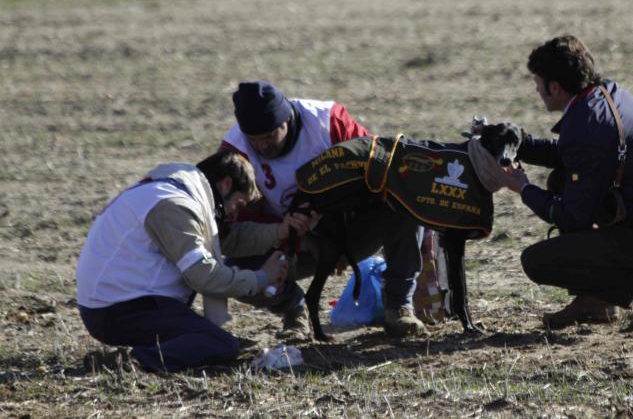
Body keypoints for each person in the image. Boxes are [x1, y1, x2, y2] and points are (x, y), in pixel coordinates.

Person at [500, 35, 633, 330]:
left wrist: (524, 189)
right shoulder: (602, 96)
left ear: (554, 86)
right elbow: (576, 156)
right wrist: (522, 143)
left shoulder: (588, 122)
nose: (536, 89)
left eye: (537, 82)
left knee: (538, 261)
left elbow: (572, 215)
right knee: (562, 181)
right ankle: (597, 301)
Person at [219, 80, 427, 338]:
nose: (263, 146)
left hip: (352, 227)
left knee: (401, 198)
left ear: (286, 119)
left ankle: (398, 305)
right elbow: (239, 220)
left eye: (270, 136)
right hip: (289, 243)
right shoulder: (235, 151)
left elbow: (377, 169)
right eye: (255, 140)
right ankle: (294, 308)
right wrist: (296, 239)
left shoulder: (327, 123)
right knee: (234, 271)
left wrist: (331, 214)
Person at [76, 150, 315, 372]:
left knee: (218, 342)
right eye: (239, 205)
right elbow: (204, 276)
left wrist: (279, 232)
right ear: (226, 184)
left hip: (118, 303)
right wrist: (262, 278)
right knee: (220, 345)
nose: (235, 214)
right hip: (119, 310)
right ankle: (130, 363)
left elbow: (226, 237)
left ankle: (150, 353)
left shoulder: (168, 192)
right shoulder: (174, 207)